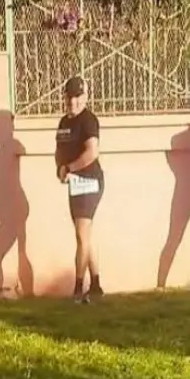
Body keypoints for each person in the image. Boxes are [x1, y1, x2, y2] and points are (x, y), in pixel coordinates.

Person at [55, 77, 105, 303]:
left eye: (77, 97)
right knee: (84, 235)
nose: (72, 101)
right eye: (69, 97)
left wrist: (70, 168)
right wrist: (60, 169)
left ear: (85, 97)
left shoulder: (88, 120)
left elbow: (92, 153)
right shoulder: (64, 122)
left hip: (90, 181)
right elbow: (60, 150)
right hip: (74, 183)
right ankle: (95, 285)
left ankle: (78, 288)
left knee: (81, 235)